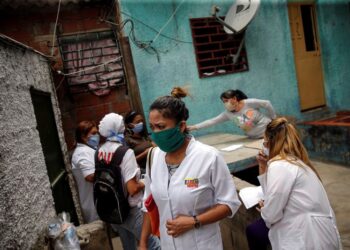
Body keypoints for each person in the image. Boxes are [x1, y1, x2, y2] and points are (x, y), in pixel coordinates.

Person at [139, 87, 241, 250]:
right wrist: (143, 243)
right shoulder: (153, 157)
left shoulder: (208, 157)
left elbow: (229, 203)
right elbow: (148, 204)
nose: (156, 134)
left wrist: (195, 221)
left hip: (202, 245)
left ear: (180, 127)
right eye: (152, 128)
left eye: (161, 126)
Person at [256, 117, 342, 250]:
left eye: (264, 141)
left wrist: (264, 208)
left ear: (270, 142)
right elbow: (274, 194)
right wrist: (263, 167)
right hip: (319, 234)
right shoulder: (296, 162)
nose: (263, 145)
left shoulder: (280, 165)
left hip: (305, 238)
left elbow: (271, 214)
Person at [97, 113, 160, 250]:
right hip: (130, 210)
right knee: (154, 245)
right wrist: (146, 181)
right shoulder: (125, 152)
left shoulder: (99, 151)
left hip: (112, 208)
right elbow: (132, 188)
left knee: (128, 246)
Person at [188, 89, 276, 139]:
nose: (225, 103)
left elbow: (267, 103)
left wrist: (274, 119)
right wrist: (194, 127)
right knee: (242, 121)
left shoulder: (248, 103)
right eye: (223, 102)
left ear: (234, 98)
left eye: (227, 101)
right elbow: (212, 121)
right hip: (254, 138)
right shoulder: (228, 114)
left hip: (270, 134)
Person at [71, 120, 100, 223]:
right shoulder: (82, 153)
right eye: (93, 133)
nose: (97, 135)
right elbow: (89, 176)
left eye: (97, 132)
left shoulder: (89, 149)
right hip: (93, 203)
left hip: (97, 201)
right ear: (83, 136)